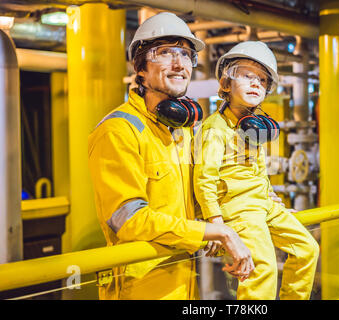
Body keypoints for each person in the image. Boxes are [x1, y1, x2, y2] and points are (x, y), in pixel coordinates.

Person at [88, 12, 254, 300]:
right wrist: (216, 233)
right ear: (140, 68)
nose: (180, 64)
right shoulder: (118, 130)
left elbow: (197, 197)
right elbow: (129, 221)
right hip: (140, 287)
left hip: (184, 277)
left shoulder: (181, 131)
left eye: (186, 55)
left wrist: (260, 210)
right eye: (165, 53)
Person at [193, 41, 320, 300]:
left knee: (307, 249)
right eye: (247, 76)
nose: (255, 84)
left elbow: (260, 172)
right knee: (263, 268)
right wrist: (216, 223)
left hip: (262, 205)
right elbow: (204, 179)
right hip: (237, 209)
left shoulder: (253, 127)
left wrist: (273, 200)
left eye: (262, 80)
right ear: (226, 84)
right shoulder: (214, 128)